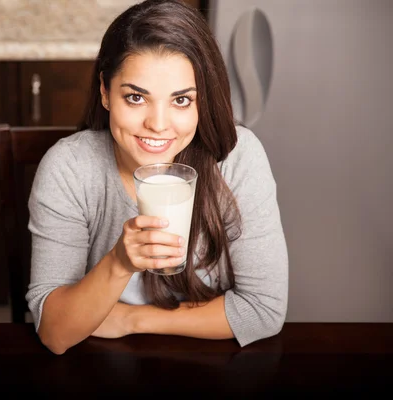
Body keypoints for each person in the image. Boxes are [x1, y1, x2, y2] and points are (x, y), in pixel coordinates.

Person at [25, 0, 288, 355]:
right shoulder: (70, 168)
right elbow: (55, 333)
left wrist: (134, 320)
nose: (159, 124)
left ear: (203, 101)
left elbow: (263, 311)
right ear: (105, 92)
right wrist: (118, 262)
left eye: (181, 100)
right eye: (136, 97)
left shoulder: (237, 159)